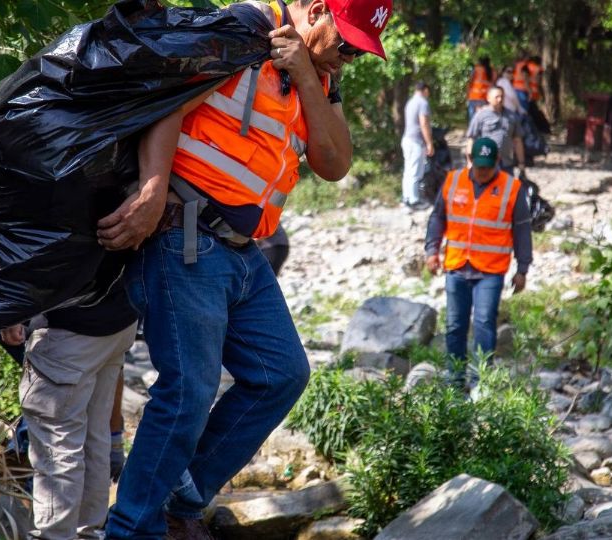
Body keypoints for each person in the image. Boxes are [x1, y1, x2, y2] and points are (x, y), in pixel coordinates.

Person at [95, 0, 391, 536]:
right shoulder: (244, 30)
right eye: (343, 43)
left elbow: (336, 164)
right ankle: (133, 528)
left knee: (282, 374)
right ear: (318, 10)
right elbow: (167, 101)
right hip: (185, 235)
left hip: (241, 250)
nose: (347, 58)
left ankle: (181, 500)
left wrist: (307, 72)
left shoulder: (316, 74)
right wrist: (152, 190)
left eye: (358, 52)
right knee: (187, 390)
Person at [1, 280, 138, 540]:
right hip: (119, 316)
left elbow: (41, 249)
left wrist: (11, 311)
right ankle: (88, 533)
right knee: (94, 437)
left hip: (70, 327)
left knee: (58, 444)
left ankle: (56, 534)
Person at [425, 138, 532, 389]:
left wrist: (522, 269)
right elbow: (437, 217)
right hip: (457, 265)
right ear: (470, 160)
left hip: (490, 270)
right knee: (455, 324)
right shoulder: (453, 181)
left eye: (488, 166)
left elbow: (522, 231)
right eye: (478, 165)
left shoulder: (512, 188)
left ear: (497, 162)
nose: (483, 172)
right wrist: (432, 251)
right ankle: (455, 379)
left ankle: (479, 379)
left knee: (484, 323)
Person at [465, 86, 525, 177]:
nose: (500, 99)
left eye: (502, 97)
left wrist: (521, 163)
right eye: (497, 97)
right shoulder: (481, 115)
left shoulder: (512, 116)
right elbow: (471, 139)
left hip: (506, 163)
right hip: (486, 162)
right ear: (488, 98)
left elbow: (517, 141)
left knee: (507, 189)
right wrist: (470, 162)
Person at [402, 81, 434, 209]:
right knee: (415, 171)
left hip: (407, 139)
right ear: (425, 90)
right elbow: (424, 124)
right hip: (416, 141)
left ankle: (406, 198)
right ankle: (414, 200)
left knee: (408, 170)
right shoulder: (423, 103)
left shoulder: (410, 102)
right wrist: (429, 143)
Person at [467, 57, 493, 122]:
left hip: (473, 96)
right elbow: (492, 84)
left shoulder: (475, 69)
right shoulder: (490, 71)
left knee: (473, 118)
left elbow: (470, 81)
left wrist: (467, 93)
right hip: (484, 97)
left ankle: (474, 131)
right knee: (482, 117)